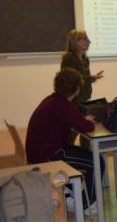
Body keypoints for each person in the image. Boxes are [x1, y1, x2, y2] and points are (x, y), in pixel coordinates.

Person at [25, 68, 102, 212]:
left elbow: (73, 121)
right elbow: (86, 127)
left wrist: (80, 121)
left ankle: (72, 197)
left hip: (41, 152)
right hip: (49, 155)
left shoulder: (53, 100)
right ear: (77, 89)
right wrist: (88, 122)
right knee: (97, 161)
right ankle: (86, 205)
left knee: (85, 157)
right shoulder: (63, 104)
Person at [60, 29, 104, 106]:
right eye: (85, 39)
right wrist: (89, 78)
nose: (89, 42)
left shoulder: (85, 59)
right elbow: (70, 81)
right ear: (76, 41)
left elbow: (83, 78)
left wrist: (92, 78)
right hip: (73, 101)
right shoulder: (69, 59)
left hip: (85, 99)